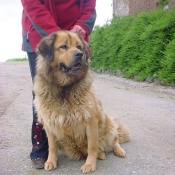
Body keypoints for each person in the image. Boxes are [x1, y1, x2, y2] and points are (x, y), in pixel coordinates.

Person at [21, 0, 96, 169]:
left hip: (76, 36)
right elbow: (31, 3)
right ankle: (41, 144)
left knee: (81, 93)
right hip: (41, 34)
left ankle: (75, 140)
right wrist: (58, 37)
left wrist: (82, 26)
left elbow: (89, 4)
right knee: (44, 96)